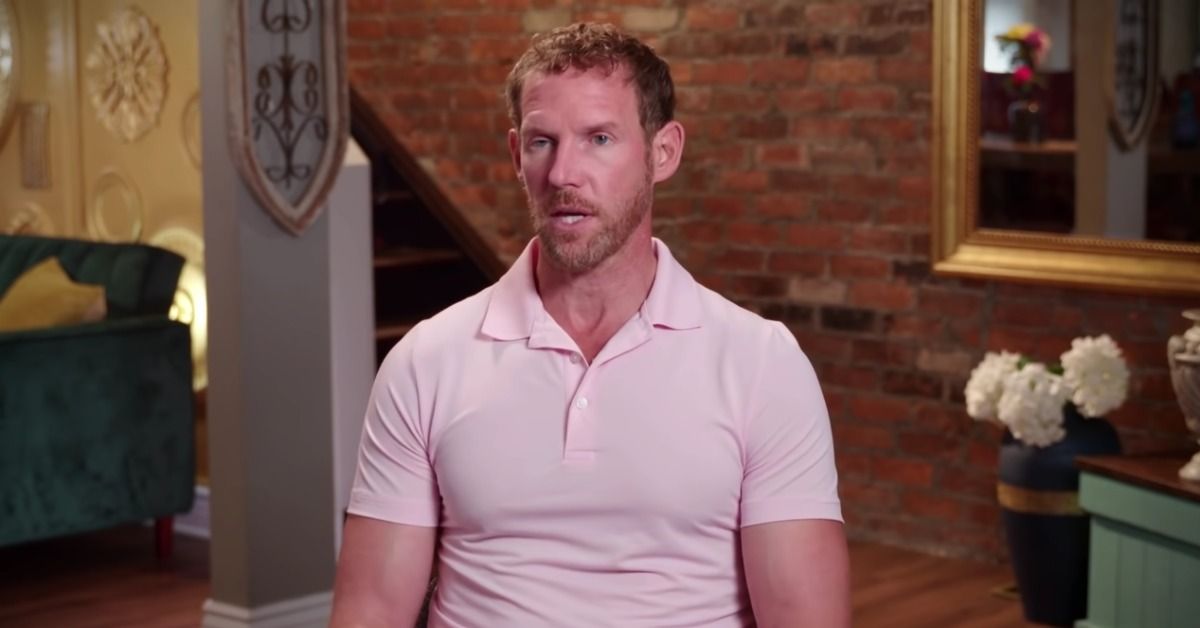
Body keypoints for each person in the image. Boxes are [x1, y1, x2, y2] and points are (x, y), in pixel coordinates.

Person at [330, 22, 849, 627]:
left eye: (599, 138)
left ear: (664, 152)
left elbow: (803, 618)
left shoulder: (762, 365)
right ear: (515, 155)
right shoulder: (427, 361)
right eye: (541, 142)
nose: (562, 175)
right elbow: (372, 610)